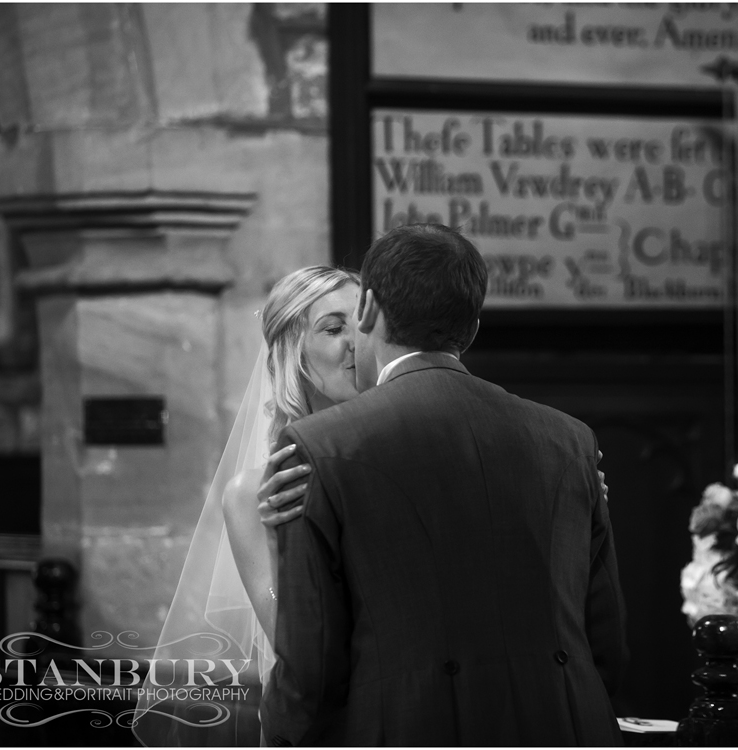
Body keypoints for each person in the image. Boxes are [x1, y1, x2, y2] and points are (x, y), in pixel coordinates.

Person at [261, 223, 628, 746]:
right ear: (471, 329)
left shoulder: (321, 447)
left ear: (367, 310)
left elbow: (310, 665)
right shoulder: (569, 440)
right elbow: (607, 639)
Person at [132, 266, 362, 746]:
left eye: (363, 325)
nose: (355, 343)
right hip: (320, 718)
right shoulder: (250, 492)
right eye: (334, 328)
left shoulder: (393, 457)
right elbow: (288, 638)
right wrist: (281, 540)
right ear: (294, 353)